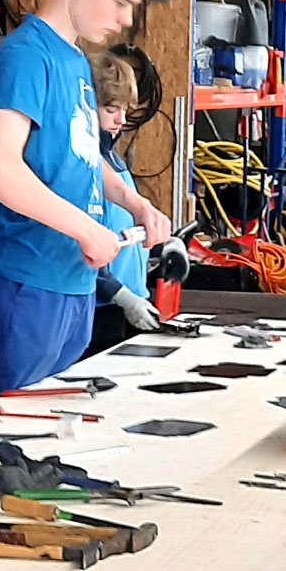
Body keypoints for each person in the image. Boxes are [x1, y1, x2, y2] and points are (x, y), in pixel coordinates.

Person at [0, 0, 171, 396]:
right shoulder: (26, 56)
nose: (126, 19)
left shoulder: (76, 60)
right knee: (17, 439)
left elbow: (82, 154)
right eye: (120, 2)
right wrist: (86, 229)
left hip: (73, 283)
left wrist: (133, 201)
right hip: (27, 281)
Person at [85, 50, 163, 354]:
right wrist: (121, 296)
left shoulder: (114, 163)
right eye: (110, 108)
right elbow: (80, 250)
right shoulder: (81, 171)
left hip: (131, 304)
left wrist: (163, 247)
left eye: (125, 109)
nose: (121, 119)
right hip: (100, 310)